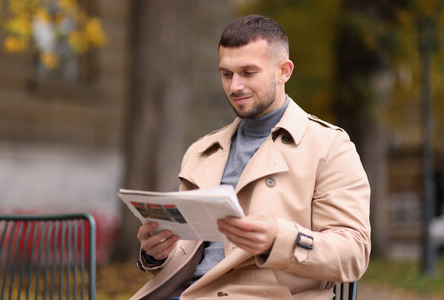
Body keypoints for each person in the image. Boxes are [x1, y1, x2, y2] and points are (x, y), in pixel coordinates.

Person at [131, 15, 370, 300]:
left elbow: (353, 254)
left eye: (248, 72)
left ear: (284, 71)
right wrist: (157, 253)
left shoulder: (329, 146)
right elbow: (192, 254)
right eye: (227, 74)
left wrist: (277, 240)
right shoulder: (202, 151)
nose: (234, 87)